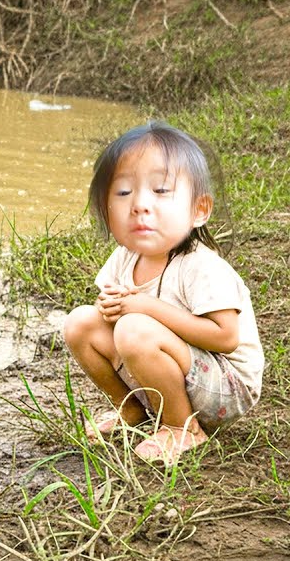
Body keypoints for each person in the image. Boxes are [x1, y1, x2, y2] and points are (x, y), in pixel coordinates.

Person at [62, 121, 263, 465]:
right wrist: (109, 306)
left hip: (225, 386)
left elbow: (226, 337)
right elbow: (111, 312)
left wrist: (144, 307)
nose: (140, 204)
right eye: (124, 192)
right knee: (80, 322)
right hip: (170, 367)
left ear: (198, 210)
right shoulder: (125, 257)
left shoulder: (201, 266)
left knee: (134, 327)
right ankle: (132, 410)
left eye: (160, 190)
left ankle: (183, 427)